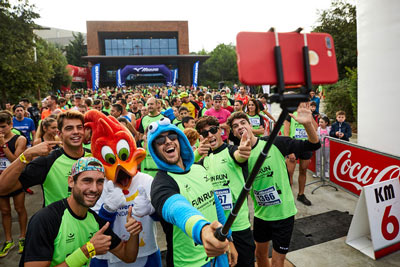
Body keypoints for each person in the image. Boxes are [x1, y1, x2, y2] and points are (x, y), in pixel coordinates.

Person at [227, 108, 320, 267]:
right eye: (235, 126)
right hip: (261, 215)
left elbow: (314, 144)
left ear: (251, 126)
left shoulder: (275, 143)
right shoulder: (236, 157)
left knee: (277, 262)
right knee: (260, 255)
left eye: (243, 122)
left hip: (284, 214)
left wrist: (307, 125)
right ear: (234, 133)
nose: (240, 127)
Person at [20, 157, 142, 266]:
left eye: (99, 182)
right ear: (71, 182)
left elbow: (128, 256)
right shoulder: (45, 219)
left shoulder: (95, 221)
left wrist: (134, 232)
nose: (94, 189)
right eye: (87, 181)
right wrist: (87, 251)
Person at [148, 118, 236, 267]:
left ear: (180, 141)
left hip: (218, 254)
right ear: (155, 150)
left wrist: (229, 239)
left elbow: (216, 207)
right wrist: (202, 230)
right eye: (160, 139)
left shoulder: (199, 168)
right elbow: (178, 209)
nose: (168, 141)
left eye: (172, 136)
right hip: (189, 263)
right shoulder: (160, 185)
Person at [196, 116, 255, 267]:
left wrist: (243, 151)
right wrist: (195, 154)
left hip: (239, 226)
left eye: (213, 130)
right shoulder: (203, 161)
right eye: (204, 133)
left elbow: (239, 156)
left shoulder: (231, 151)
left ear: (220, 131)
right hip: (218, 228)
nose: (209, 135)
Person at [0, 110, 90, 207]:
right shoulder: (48, 161)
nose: (76, 132)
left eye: (79, 127)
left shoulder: (94, 157)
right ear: (59, 134)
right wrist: (26, 154)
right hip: (58, 221)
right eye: (69, 128)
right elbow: (2, 188)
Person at [0, 111, 28, 257]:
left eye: (3, 127)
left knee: (19, 208)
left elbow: (16, 162)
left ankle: (22, 237)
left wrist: (3, 145)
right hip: (1, 183)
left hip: (16, 181)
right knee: (5, 211)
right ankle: (8, 240)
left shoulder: (20, 139)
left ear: (11, 125)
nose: (0, 130)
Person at [283, 103, 318, 206]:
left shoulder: (308, 114)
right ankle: (287, 197)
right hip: (293, 146)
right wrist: (289, 150)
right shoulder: (290, 114)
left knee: (303, 170)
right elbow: (286, 132)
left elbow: (315, 128)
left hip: (306, 145)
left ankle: (301, 194)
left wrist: (310, 116)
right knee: (289, 173)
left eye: (307, 103)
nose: (305, 104)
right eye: (303, 102)